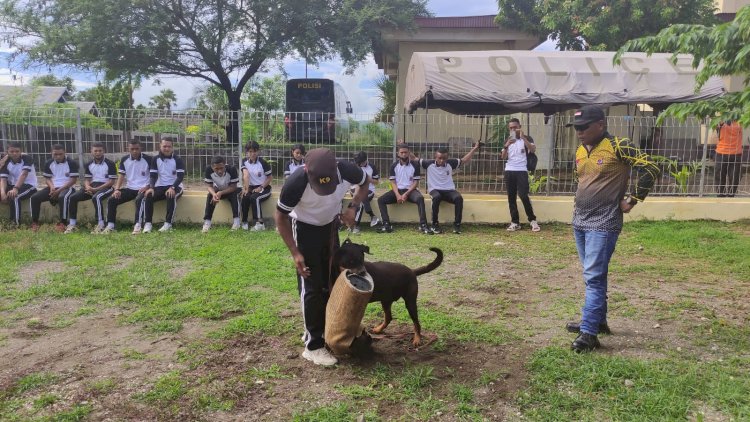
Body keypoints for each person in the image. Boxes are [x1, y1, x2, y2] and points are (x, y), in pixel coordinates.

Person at [565, 105, 660, 353]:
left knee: (594, 278)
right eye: (577, 128)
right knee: (594, 275)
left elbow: (651, 168)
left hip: (604, 223)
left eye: (584, 127)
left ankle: (589, 333)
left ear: (600, 124)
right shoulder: (580, 150)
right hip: (581, 222)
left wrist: (633, 199)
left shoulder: (619, 145)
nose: (579, 132)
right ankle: (598, 321)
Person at [275, 148, 370, 366]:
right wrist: (295, 252)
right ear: (307, 171)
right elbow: (280, 217)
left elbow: (366, 183)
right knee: (311, 285)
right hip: (305, 231)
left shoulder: (347, 169)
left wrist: (352, 208)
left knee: (331, 280)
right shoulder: (296, 181)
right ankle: (313, 345)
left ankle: (329, 329)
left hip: (330, 228)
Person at [419, 143, 481, 234]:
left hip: (449, 190)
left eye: (444, 158)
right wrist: (403, 146)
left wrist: (474, 149)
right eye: (439, 158)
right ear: (435, 157)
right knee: (436, 197)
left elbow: (464, 160)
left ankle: (457, 225)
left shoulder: (450, 163)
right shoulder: (428, 164)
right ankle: (434, 224)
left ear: (447, 158)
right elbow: (414, 158)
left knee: (458, 198)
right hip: (435, 190)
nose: (442, 160)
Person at [377, 143, 431, 234]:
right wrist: (398, 195)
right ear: (398, 153)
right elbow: (393, 182)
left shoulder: (415, 165)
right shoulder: (394, 166)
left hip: (411, 191)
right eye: (401, 152)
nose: (404, 154)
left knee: (420, 198)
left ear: (409, 153)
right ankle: (386, 224)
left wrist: (406, 194)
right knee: (381, 200)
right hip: (397, 191)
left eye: (405, 152)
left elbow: (416, 182)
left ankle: (423, 225)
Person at [65, 142, 117, 233]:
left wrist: (96, 190)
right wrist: (88, 187)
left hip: (106, 187)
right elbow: (87, 179)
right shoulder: (89, 164)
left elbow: (111, 182)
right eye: (95, 151)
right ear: (91, 152)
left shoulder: (110, 163)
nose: (98, 153)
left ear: (103, 151)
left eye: (100, 151)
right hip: (92, 187)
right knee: (73, 197)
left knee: (96, 197)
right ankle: (72, 225)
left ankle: (100, 224)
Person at [102, 140, 152, 234]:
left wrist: (148, 186)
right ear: (128, 149)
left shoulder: (149, 159)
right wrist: (117, 189)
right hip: (130, 189)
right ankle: (110, 225)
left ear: (141, 148)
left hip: (143, 189)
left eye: (137, 149)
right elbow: (121, 176)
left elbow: (154, 176)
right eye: (132, 149)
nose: (134, 151)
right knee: (112, 199)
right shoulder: (124, 159)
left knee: (139, 200)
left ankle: (138, 225)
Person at [501, 118, 540, 232]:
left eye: (515, 127)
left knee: (523, 195)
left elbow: (532, 150)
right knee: (511, 197)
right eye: (511, 128)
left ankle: (532, 220)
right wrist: (506, 145)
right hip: (509, 170)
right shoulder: (508, 139)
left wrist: (523, 138)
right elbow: (503, 157)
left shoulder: (527, 138)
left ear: (520, 126)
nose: (513, 129)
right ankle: (515, 222)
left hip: (522, 170)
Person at [30, 144, 79, 232]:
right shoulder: (49, 162)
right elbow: (47, 179)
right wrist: (52, 188)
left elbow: (73, 180)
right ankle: (35, 222)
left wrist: (59, 190)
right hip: (53, 187)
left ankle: (63, 223)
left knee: (62, 197)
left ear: (65, 152)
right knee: (34, 197)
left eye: (60, 154)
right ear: (51, 153)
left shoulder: (71, 162)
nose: (58, 156)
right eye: (55, 154)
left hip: (67, 187)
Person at [142, 138, 185, 233]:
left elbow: (180, 177)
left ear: (172, 148)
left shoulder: (178, 159)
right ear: (160, 146)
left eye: (169, 146)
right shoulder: (155, 159)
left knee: (170, 195)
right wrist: (151, 188)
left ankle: (168, 224)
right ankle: (148, 224)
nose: (167, 148)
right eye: (164, 146)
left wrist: (172, 187)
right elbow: (153, 176)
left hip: (176, 186)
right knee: (148, 195)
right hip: (160, 186)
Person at [0, 142, 38, 226]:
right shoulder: (5, 161)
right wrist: (2, 193)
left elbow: (24, 174)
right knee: (5, 194)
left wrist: (15, 188)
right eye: (12, 151)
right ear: (8, 152)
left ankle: (15, 224)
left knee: (14, 196)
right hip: (12, 185)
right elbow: (3, 179)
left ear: (21, 151)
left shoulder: (27, 158)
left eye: (17, 151)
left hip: (29, 185)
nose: (14, 153)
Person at [202, 155, 241, 233]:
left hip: (230, 190)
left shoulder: (232, 169)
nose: (219, 171)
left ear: (225, 165)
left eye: (221, 168)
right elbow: (209, 186)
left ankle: (236, 222)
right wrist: (214, 194)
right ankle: (207, 223)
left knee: (235, 195)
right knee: (210, 196)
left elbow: (233, 187)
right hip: (218, 190)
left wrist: (221, 193)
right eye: (216, 169)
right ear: (212, 167)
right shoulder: (208, 170)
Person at [240, 141, 273, 231]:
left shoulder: (263, 163)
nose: (253, 153)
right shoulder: (244, 161)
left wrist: (261, 187)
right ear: (246, 152)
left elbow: (269, 178)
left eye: (255, 151)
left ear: (258, 151)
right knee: (245, 197)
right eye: (250, 151)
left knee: (255, 198)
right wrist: (246, 189)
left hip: (264, 187)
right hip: (251, 187)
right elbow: (245, 175)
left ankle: (260, 224)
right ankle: (244, 221)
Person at [350, 151, 380, 234]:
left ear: (366, 160)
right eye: (358, 163)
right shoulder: (353, 166)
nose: (359, 165)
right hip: (355, 188)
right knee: (360, 196)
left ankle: (355, 225)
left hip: (369, 189)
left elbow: (377, 182)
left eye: (361, 163)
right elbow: (351, 181)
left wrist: (368, 179)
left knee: (361, 199)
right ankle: (372, 216)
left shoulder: (372, 167)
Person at [714, 120, 743, 197]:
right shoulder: (721, 120)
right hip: (721, 152)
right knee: (719, 177)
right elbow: (716, 127)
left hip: (736, 153)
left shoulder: (741, 119)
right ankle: (720, 197)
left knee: (734, 178)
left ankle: (731, 196)